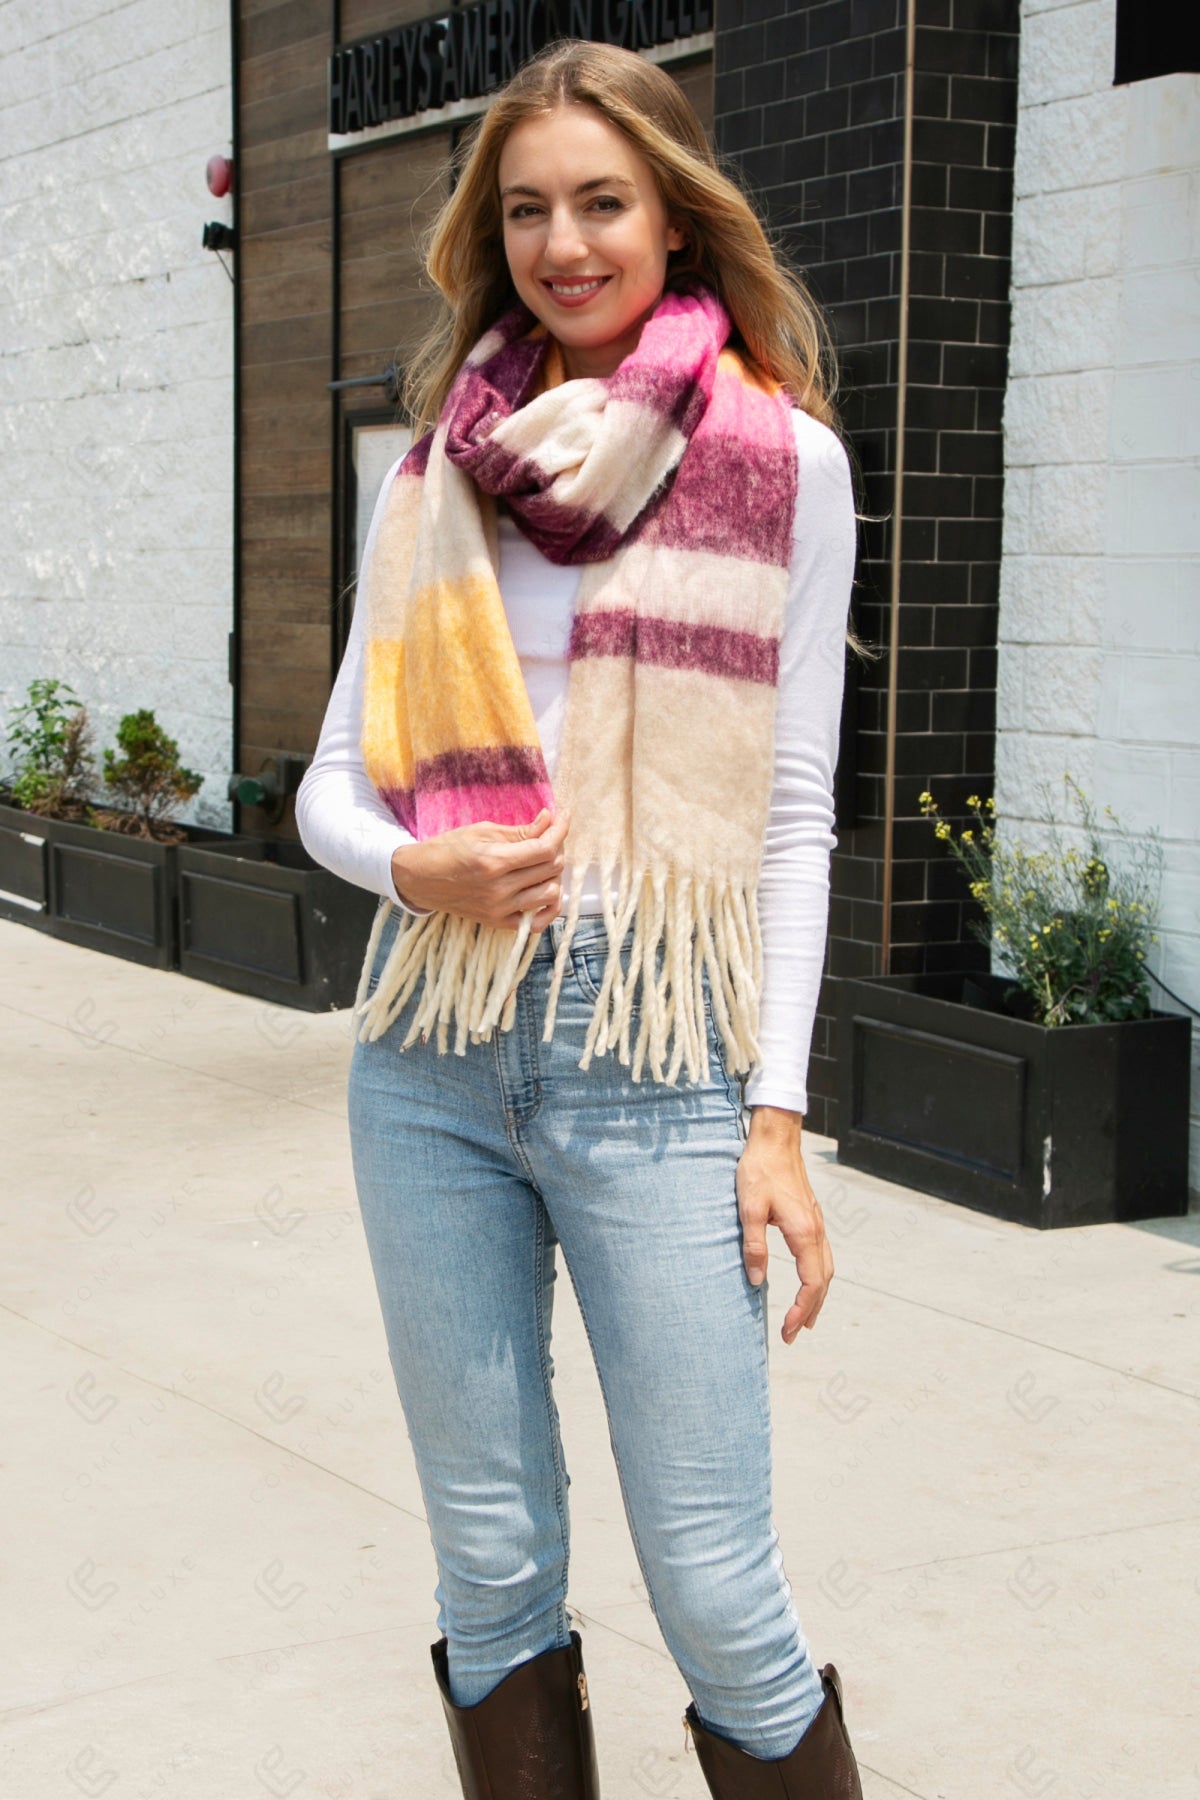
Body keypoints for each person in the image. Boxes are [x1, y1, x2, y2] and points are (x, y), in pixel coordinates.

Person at [296, 37, 862, 1800]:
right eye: (528, 209)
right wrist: (416, 871)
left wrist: (775, 1115)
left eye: (602, 202)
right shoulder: (434, 475)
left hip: (658, 1049)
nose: (563, 243)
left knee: (714, 1581)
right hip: (432, 1048)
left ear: (674, 219)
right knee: (489, 1562)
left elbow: (792, 818)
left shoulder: (787, 464)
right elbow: (330, 784)